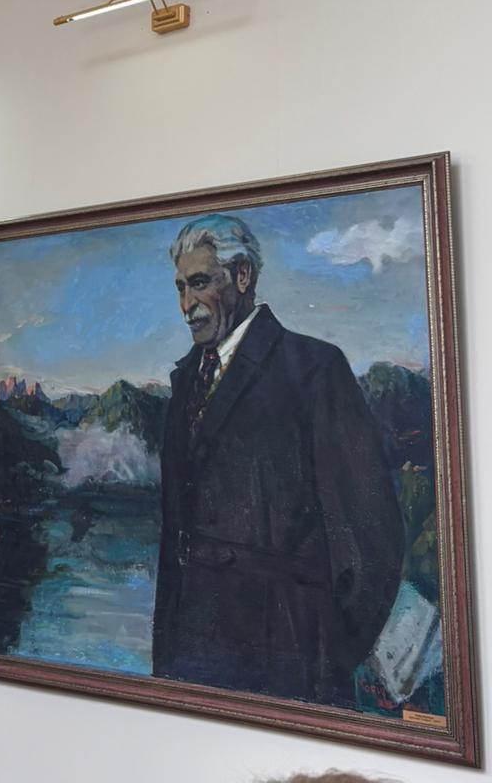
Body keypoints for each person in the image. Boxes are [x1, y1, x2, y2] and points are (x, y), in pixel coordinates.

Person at [152, 213, 404, 705]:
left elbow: (372, 543)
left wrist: (324, 653)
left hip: (289, 666)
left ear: (242, 276)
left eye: (199, 283)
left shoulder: (315, 370)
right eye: (180, 287)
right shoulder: (184, 381)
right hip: (189, 664)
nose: (186, 305)